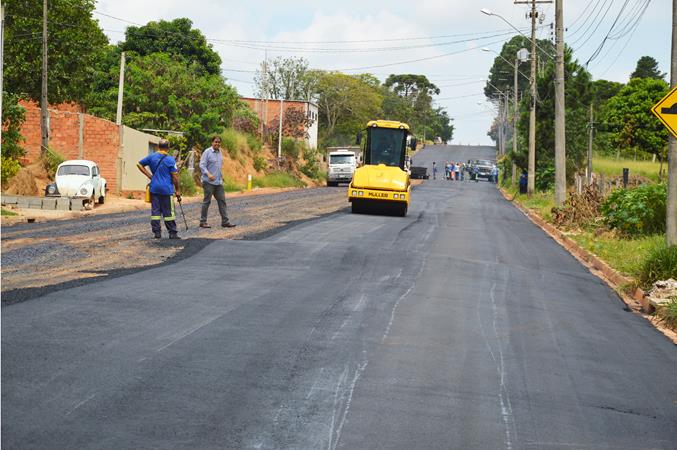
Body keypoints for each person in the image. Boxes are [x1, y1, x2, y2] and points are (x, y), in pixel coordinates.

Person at [137, 139, 181, 239]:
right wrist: (178, 190)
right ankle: (172, 233)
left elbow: (139, 164)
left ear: (158, 147)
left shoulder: (152, 157)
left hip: (155, 188)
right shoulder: (170, 160)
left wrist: (149, 175)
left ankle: (157, 233)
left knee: (155, 212)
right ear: (168, 148)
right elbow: (175, 177)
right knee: (169, 212)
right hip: (166, 189)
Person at [199, 136, 236, 228]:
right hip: (208, 182)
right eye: (215, 142)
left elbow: (218, 167)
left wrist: (221, 177)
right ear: (212, 142)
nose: (217, 144)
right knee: (207, 202)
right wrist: (208, 174)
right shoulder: (207, 152)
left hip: (218, 183)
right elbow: (202, 165)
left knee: (222, 201)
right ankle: (203, 222)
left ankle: (225, 221)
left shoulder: (219, 152)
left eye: (219, 142)